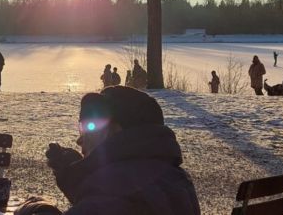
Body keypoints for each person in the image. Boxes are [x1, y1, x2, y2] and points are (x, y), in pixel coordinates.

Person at [17, 86, 201, 215]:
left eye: (90, 126)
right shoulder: (173, 178)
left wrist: (31, 210)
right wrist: (77, 171)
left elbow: (106, 201)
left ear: (117, 131)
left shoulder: (114, 192)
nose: (79, 139)